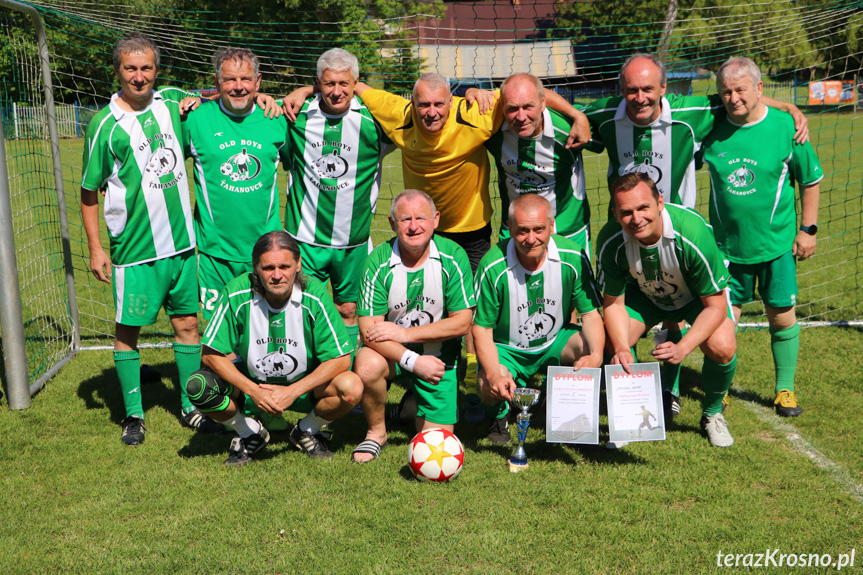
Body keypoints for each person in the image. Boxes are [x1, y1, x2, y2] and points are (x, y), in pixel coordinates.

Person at [582, 53, 806, 412]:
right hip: (627, 238)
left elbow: (738, 99)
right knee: (616, 326)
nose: (639, 97)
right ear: (620, 90)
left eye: (648, 89)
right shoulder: (606, 114)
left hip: (678, 236)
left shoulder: (690, 114)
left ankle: (680, 394)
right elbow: (545, 107)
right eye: (631, 90)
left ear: (665, 89)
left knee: (687, 318)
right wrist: (483, 96)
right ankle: (628, 396)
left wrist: (789, 107)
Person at [81, 33, 204, 445]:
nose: (139, 77)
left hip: (183, 247)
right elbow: (87, 192)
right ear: (117, 71)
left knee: (187, 323)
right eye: (130, 68)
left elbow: (220, 95)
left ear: (156, 70)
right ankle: (133, 414)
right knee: (127, 331)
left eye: (146, 68)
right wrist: (97, 248)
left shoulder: (172, 102)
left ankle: (191, 406)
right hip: (135, 251)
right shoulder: (104, 124)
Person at [700, 57, 822, 417]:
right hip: (725, 252)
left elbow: (810, 180)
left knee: (782, 318)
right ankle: (718, 391)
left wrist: (808, 229)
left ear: (759, 89)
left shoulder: (787, 128)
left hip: (777, 247)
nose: (733, 98)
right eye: (726, 91)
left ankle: (785, 389)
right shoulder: (712, 126)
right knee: (720, 330)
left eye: (740, 90)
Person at [185, 231, 363, 465]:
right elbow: (210, 355)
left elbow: (341, 359)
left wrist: (293, 391)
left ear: (298, 265)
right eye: (268, 268)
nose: (277, 275)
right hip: (251, 389)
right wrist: (254, 391)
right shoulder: (237, 292)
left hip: (304, 389)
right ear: (255, 267)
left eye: (285, 266)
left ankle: (307, 430)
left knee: (351, 387)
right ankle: (249, 433)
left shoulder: (315, 295)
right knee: (198, 386)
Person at [596, 173, 738, 447]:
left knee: (722, 346)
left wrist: (683, 347)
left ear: (659, 202)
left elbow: (716, 305)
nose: (636, 219)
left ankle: (712, 413)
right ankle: (628, 419)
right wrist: (622, 345)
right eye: (626, 212)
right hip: (645, 296)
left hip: (697, 297)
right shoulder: (610, 242)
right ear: (615, 213)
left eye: (643, 208)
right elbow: (613, 303)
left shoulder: (692, 232)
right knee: (612, 342)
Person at [282, 48, 394, 358]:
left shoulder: (374, 122)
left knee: (348, 308)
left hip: (353, 242)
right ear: (317, 83)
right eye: (329, 84)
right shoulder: (295, 116)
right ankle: (301, 369)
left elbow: (416, 114)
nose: (337, 91)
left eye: (344, 84)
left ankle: (343, 370)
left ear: (356, 83)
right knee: (299, 307)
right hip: (304, 240)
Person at [351, 190, 475, 462]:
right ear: (392, 223)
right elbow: (368, 330)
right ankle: (376, 433)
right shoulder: (378, 261)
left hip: (439, 360)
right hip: (391, 354)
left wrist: (405, 333)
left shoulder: (453, 257)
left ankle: (409, 407)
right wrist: (413, 360)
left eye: (421, 217)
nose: (414, 226)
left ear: (436, 219)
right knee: (367, 364)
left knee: (436, 446)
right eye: (405, 219)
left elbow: (462, 323)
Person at [472, 194, 604, 445]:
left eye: (538, 229)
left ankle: (562, 405)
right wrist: (494, 374)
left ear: (551, 225)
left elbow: (589, 315)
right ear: (509, 228)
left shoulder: (573, 256)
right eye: (522, 231)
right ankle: (499, 417)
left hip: (555, 342)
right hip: (507, 350)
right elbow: (481, 329)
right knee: (486, 384)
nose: (531, 239)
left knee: (591, 348)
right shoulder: (492, 266)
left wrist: (596, 355)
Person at [186, 48, 288, 321]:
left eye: (246, 79)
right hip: (215, 253)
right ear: (217, 82)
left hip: (267, 252)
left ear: (258, 81)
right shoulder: (194, 119)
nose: (239, 87)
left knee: (267, 331)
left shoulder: (276, 119)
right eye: (230, 80)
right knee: (220, 335)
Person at [485, 73, 590, 251]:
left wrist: (578, 116)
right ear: (502, 107)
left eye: (528, 107)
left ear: (543, 103)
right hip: (514, 230)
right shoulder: (490, 129)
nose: (520, 116)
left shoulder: (569, 129)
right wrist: (473, 92)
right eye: (512, 108)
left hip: (568, 230)